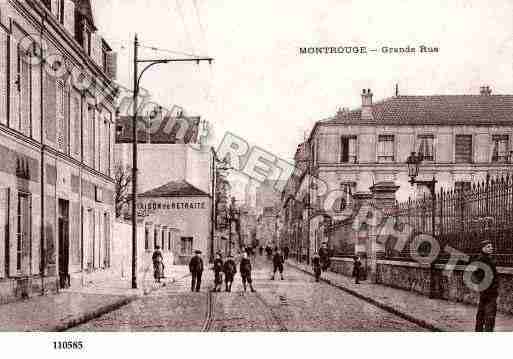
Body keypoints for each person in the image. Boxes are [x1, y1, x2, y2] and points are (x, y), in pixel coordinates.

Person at [475, 239, 499, 332]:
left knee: (481, 314)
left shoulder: (485, 259)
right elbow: (480, 276)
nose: (491, 248)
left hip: (485, 291)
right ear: (482, 248)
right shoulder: (483, 260)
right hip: (489, 292)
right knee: (489, 316)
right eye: (488, 246)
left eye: (491, 246)